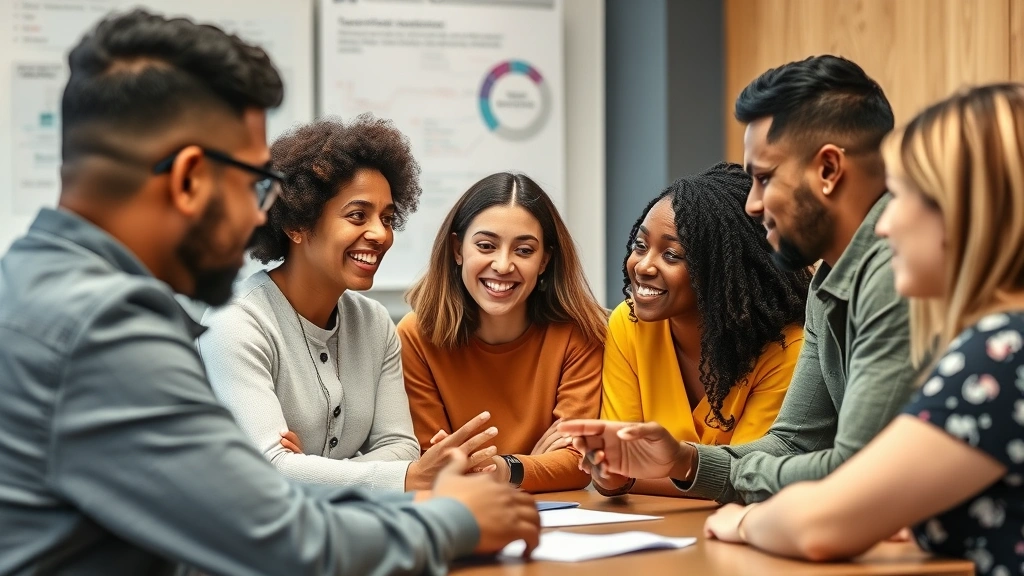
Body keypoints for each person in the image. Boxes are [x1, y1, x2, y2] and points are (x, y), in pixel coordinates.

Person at [0, 10, 538, 575]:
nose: (264, 212)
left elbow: (238, 502)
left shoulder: (35, 288)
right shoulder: (104, 327)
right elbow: (282, 543)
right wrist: (456, 519)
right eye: (256, 183)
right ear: (188, 180)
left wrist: (278, 481)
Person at [562, 55, 917, 504]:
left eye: (765, 178)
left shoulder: (896, 271)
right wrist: (685, 461)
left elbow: (858, 470)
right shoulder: (829, 280)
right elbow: (792, 444)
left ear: (829, 170)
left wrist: (756, 521)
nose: (753, 204)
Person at [701, 83, 1024, 576]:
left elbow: (822, 523)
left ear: (965, 212)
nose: (885, 224)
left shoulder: (1001, 354)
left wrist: (747, 522)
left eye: (904, 195)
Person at [198, 116, 495, 491]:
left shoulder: (374, 323)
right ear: (297, 225)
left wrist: (309, 470)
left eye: (387, 218)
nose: (380, 234)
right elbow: (269, 474)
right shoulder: (235, 323)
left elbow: (401, 447)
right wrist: (297, 469)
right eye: (357, 215)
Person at [594, 162, 810, 498]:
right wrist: (620, 474)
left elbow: (747, 478)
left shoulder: (785, 349)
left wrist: (636, 475)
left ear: (723, 271)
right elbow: (616, 465)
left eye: (671, 254)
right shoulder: (628, 322)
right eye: (640, 246)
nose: (644, 265)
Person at [397, 172, 607, 493]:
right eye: (486, 245)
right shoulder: (415, 336)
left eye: (524, 250)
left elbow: (579, 463)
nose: (503, 264)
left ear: (544, 261)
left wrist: (505, 468)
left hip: (560, 523)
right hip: (461, 522)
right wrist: (527, 466)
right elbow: (433, 466)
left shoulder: (579, 334)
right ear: (457, 249)